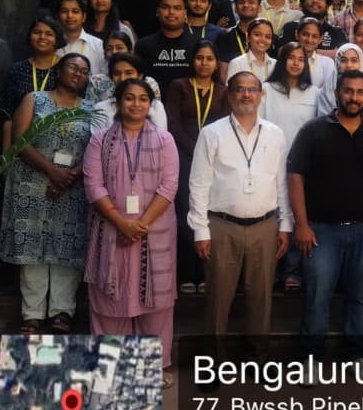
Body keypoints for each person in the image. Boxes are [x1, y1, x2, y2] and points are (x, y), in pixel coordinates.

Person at [287, 70, 363, 364]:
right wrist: (302, 225)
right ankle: (310, 359)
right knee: (317, 297)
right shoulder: (314, 131)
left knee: (360, 297)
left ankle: (355, 356)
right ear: (337, 93)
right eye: (348, 91)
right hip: (322, 231)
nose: (354, 97)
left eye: (360, 92)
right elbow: (295, 176)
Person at [83, 78, 180, 385]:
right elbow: (93, 184)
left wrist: (140, 225)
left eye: (142, 99)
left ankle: (154, 366)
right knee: (110, 301)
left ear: (150, 105)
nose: (136, 104)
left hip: (156, 231)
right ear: (118, 102)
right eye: (129, 98)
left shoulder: (165, 140)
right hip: (111, 231)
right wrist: (121, 223)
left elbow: (170, 186)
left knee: (157, 304)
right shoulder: (99, 139)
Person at [188, 72, 293, 355]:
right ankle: (212, 361)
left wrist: (286, 224)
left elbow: (281, 181)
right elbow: (198, 183)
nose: (246, 95)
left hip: (265, 226)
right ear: (229, 94)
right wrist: (200, 230)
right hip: (222, 226)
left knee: (261, 299)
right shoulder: (212, 133)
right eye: (239, 90)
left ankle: (257, 356)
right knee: (218, 299)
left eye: (251, 90)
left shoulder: (275, 133)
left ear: (261, 95)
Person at [0, 53, 97, 335]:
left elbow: (95, 149)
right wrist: (53, 172)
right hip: (32, 184)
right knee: (33, 250)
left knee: (67, 248)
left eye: (84, 70)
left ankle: (62, 311)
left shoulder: (92, 109)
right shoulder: (35, 99)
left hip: (73, 187)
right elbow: (20, 139)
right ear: (59, 71)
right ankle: (32, 313)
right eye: (73, 67)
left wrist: (70, 175)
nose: (78, 73)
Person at [164, 40, 229, 295]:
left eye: (209, 59)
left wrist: (208, 154)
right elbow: (173, 122)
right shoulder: (179, 86)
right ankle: (186, 273)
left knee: (209, 215)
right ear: (193, 61)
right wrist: (195, 149)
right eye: (200, 58)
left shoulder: (223, 91)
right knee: (184, 215)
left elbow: (225, 124)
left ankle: (206, 273)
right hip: (184, 155)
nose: (204, 63)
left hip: (215, 158)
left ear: (216, 63)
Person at [263, 42, 319, 292]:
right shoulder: (266, 89)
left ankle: (292, 270)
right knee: (272, 216)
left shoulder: (314, 92)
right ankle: (270, 269)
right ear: (282, 60)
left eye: (301, 59)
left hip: (302, 164)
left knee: (297, 215)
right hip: (270, 161)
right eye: (291, 57)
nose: (296, 62)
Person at [0, 15, 65, 151]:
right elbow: (8, 118)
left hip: (58, 145)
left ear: (57, 40)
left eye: (49, 34)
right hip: (20, 145)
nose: (42, 37)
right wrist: (5, 162)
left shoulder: (66, 70)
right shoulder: (17, 70)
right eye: (37, 32)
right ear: (30, 37)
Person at [134, 0, 197, 86]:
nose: (171, 12)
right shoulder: (143, 46)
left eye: (177, 8)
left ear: (185, 13)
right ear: (157, 11)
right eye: (165, 7)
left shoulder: (198, 45)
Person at [315, 43, 363, 128]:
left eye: (354, 60)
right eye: (343, 60)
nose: (348, 65)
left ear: (360, 63)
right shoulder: (327, 91)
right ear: (337, 64)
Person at [94, 53, 168, 128]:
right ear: (111, 77)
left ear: (140, 76)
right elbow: (98, 138)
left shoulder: (155, 106)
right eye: (117, 73)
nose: (122, 78)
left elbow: (162, 137)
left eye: (128, 73)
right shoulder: (101, 108)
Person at [54, 0, 107, 75]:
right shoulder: (52, 44)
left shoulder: (97, 45)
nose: (70, 16)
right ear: (57, 16)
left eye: (75, 11)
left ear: (84, 17)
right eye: (64, 11)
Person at [225, 17, 275, 83]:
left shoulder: (275, 65)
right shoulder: (237, 63)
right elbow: (231, 91)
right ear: (248, 37)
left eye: (267, 37)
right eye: (257, 35)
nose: (263, 39)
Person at [295, 17, 336, 88]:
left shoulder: (327, 63)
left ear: (320, 39)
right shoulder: (288, 60)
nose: (309, 40)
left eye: (314, 36)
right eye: (305, 34)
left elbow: (328, 91)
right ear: (297, 35)